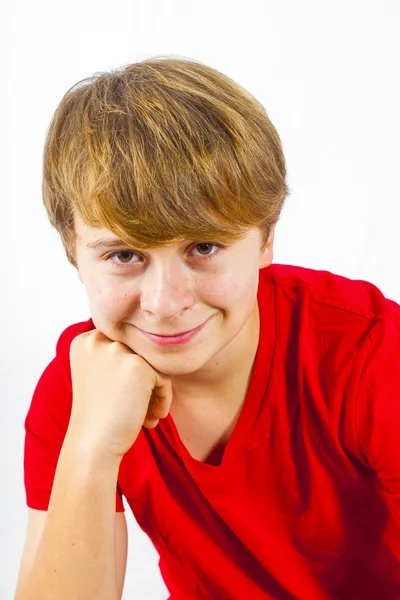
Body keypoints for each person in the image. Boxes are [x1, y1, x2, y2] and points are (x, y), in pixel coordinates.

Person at [14, 56, 400, 600]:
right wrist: (92, 446)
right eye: (124, 255)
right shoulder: (79, 390)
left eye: (204, 247)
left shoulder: (370, 353)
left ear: (266, 240)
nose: (165, 303)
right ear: (74, 255)